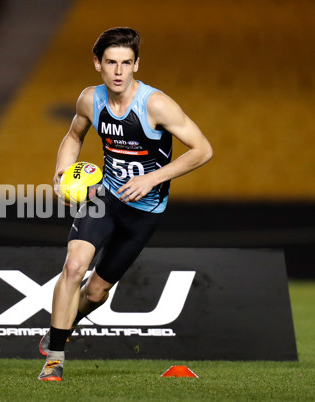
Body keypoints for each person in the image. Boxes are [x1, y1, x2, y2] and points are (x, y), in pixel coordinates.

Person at [37, 27, 213, 381]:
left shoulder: (156, 104)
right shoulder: (90, 99)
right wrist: (61, 171)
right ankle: (54, 358)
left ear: (136, 65)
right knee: (73, 267)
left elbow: (203, 150)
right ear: (98, 64)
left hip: (145, 212)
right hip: (105, 197)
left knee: (98, 291)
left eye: (126, 63)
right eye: (111, 62)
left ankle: (66, 323)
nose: (119, 71)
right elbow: (73, 136)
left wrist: (153, 178)